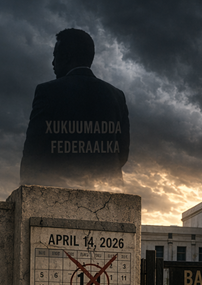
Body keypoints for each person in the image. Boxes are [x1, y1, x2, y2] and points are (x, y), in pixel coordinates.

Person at [20, 28, 130, 188]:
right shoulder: (117, 96)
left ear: (67, 57)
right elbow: (122, 153)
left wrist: (25, 191)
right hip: (107, 194)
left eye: (55, 56)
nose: (53, 63)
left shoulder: (48, 91)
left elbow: (34, 150)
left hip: (57, 193)